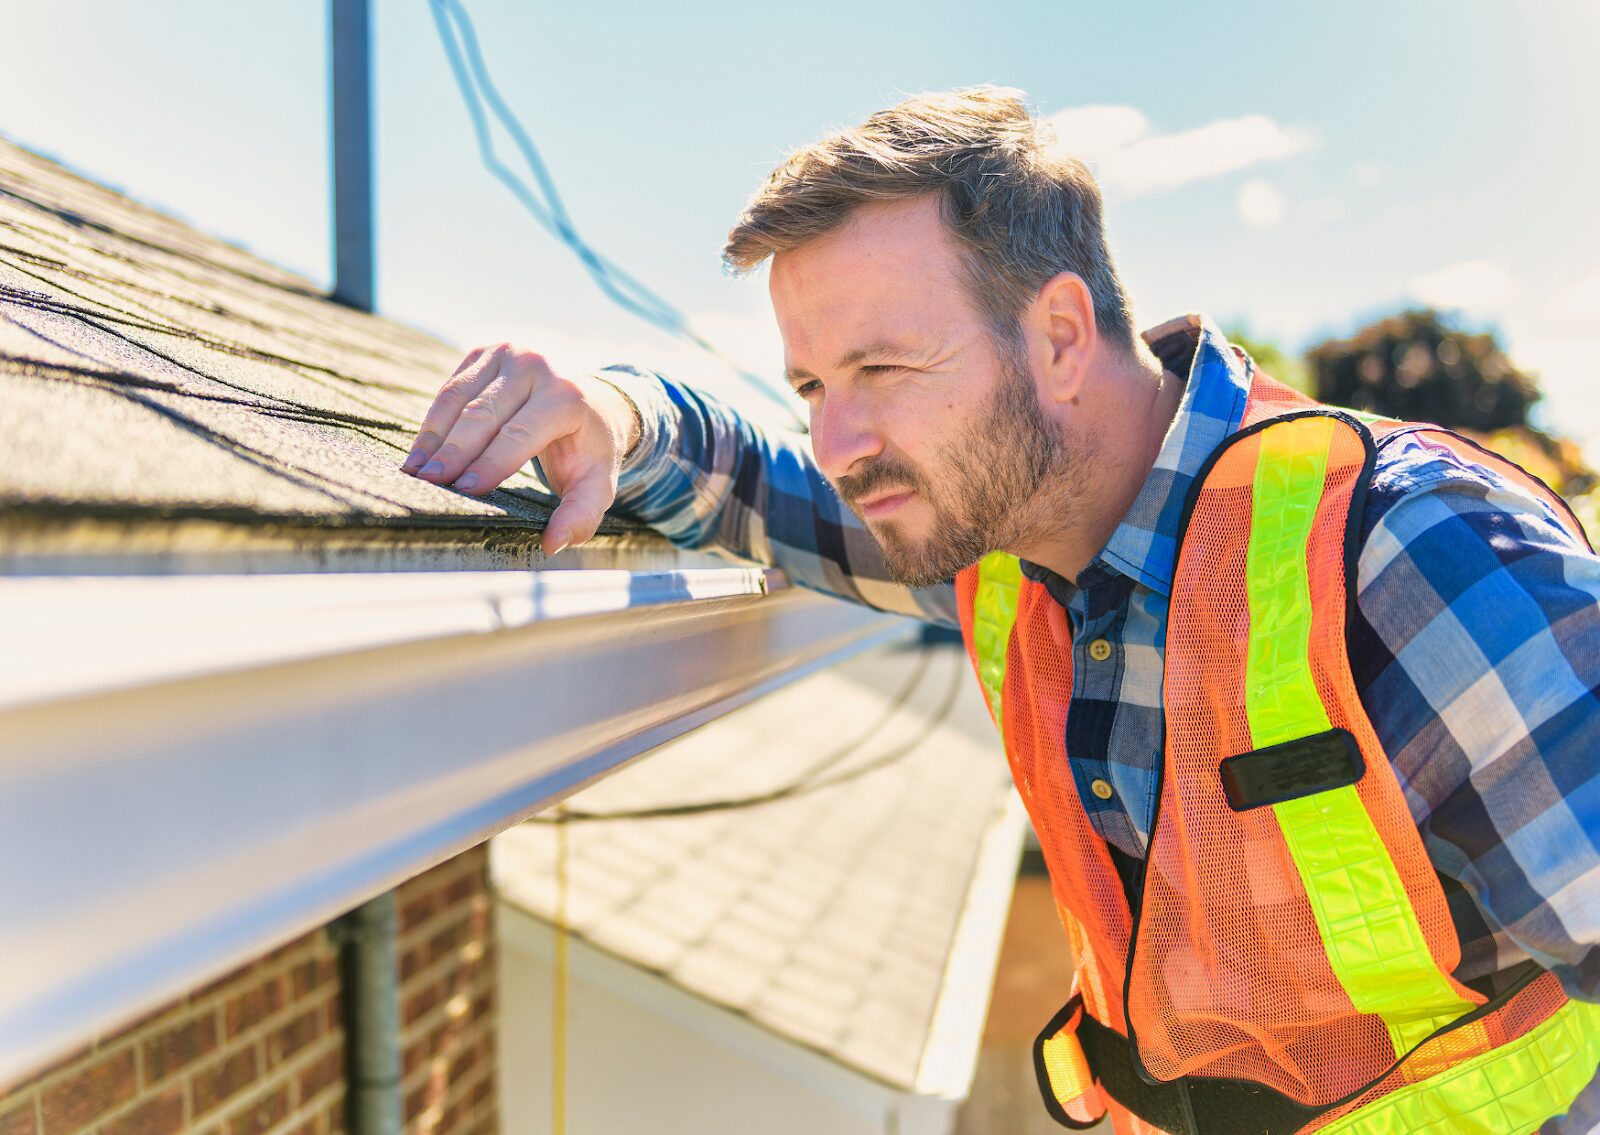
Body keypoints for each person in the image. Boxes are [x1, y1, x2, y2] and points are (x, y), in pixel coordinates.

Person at [403, 88, 1600, 1135]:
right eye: (813, 385)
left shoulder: (1408, 547)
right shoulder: (995, 538)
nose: (840, 438)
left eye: (881, 370)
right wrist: (611, 411)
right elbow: (766, 487)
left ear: (1061, 335)